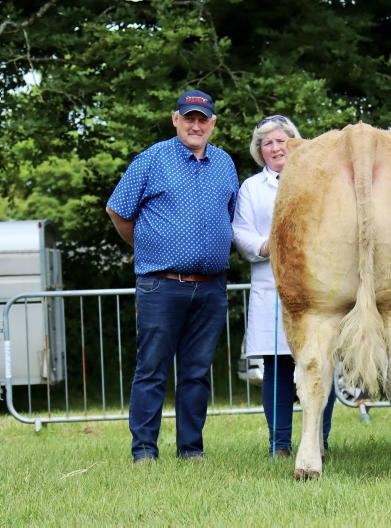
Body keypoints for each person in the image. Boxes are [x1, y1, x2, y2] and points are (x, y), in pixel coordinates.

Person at [106, 89, 239, 463]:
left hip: (211, 286)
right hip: (161, 284)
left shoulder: (224, 163)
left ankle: (191, 449)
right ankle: (144, 450)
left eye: (203, 120)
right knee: (152, 369)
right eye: (189, 118)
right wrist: (147, 245)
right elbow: (117, 210)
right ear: (175, 119)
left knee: (196, 372)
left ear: (212, 123)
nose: (196, 126)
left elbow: (230, 216)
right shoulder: (152, 159)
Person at [232, 115, 335, 458]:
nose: (276, 148)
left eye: (282, 141)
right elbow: (241, 232)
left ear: (295, 143)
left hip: (317, 285)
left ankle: (318, 440)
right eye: (268, 143)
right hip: (272, 285)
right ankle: (280, 444)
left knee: (320, 363)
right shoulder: (251, 188)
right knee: (277, 367)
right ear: (259, 150)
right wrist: (269, 246)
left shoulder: (318, 180)